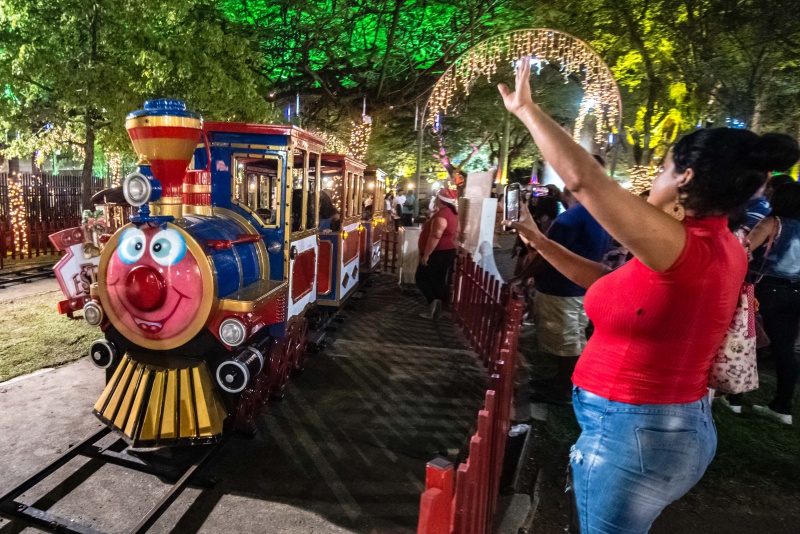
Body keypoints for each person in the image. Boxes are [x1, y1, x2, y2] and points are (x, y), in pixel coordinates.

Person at [498, 57, 800, 533]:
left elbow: (583, 181)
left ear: (684, 178)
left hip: (635, 433)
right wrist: (539, 240)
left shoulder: (685, 247)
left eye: (662, 168)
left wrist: (527, 110)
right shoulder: (714, 244)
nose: (653, 178)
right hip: (658, 428)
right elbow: (607, 283)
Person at [528, 180, 611, 405]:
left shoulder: (570, 218)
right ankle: (562, 381)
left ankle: (565, 390)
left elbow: (547, 254)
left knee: (566, 342)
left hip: (561, 288)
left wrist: (523, 276)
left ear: (569, 193)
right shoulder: (599, 214)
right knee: (574, 338)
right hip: (581, 288)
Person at [744, 182, 800, 425]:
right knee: (784, 349)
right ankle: (782, 407)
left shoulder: (772, 222)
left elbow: (745, 249)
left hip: (761, 289)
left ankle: (734, 398)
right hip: (795, 292)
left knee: (745, 338)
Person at [416, 188, 460, 319]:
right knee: (438, 280)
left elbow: (435, 236)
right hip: (447, 250)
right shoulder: (452, 213)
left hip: (438, 252)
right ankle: (436, 309)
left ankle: (433, 303)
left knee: (421, 278)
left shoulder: (442, 215)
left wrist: (426, 255)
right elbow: (457, 231)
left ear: (439, 199)